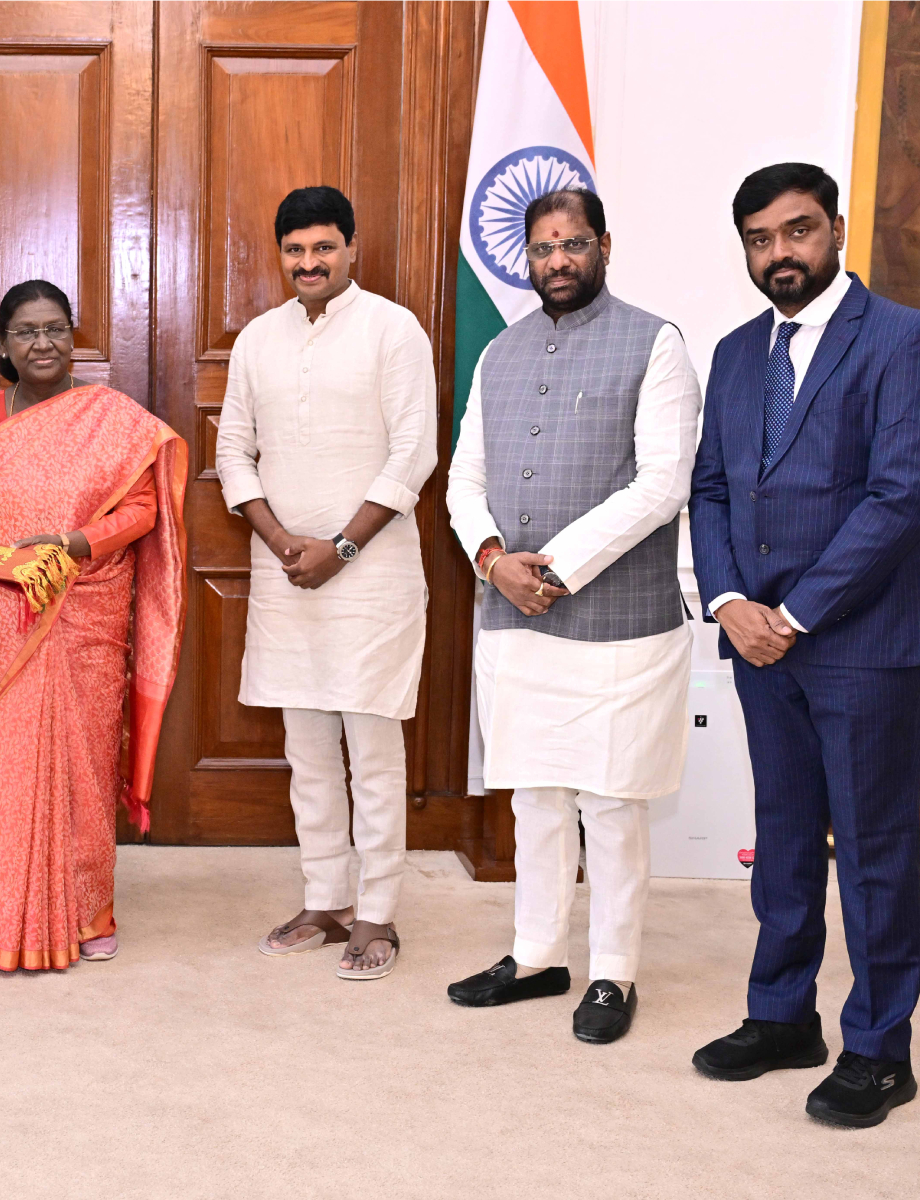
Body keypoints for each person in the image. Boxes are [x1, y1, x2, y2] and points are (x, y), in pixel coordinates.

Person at [689, 162, 920, 1127]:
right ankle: (784, 1016)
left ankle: (878, 1047)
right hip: (758, 640)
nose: (779, 254)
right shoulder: (740, 353)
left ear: (833, 229)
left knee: (874, 849)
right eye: (758, 239)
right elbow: (709, 489)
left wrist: (797, 613)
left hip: (861, 643)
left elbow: (899, 493)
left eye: (796, 233)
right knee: (784, 835)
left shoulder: (901, 339)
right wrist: (735, 599)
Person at [443, 188, 701, 1042]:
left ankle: (614, 974)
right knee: (536, 795)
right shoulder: (500, 354)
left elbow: (661, 484)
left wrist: (549, 569)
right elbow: (463, 480)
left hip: (619, 620)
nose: (558, 260)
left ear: (604, 247)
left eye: (574, 244)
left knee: (613, 801)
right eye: (544, 246)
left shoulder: (654, 341)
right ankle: (535, 955)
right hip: (515, 616)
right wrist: (491, 559)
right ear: (527, 255)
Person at [217, 185, 437, 981]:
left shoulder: (392, 328)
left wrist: (340, 547)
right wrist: (281, 542)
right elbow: (234, 452)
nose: (309, 263)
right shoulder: (258, 341)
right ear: (281, 256)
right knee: (306, 748)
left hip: (371, 573)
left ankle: (377, 910)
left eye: (324, 248)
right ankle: (325, 896)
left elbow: (414, 452)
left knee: (373, 747)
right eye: (295, 250)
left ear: (352, 249)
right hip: (285, 575)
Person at [0, 279, 185, 971]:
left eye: (53, 328)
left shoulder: (112, 418)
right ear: (5, 344)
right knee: (10, 764)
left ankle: (89, 910)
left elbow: (141, 512)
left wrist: (72, 545)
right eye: (25, 331)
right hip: (1, 612)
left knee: (84, 762)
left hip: (87, 607)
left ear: (73, 334)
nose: (41, 342)